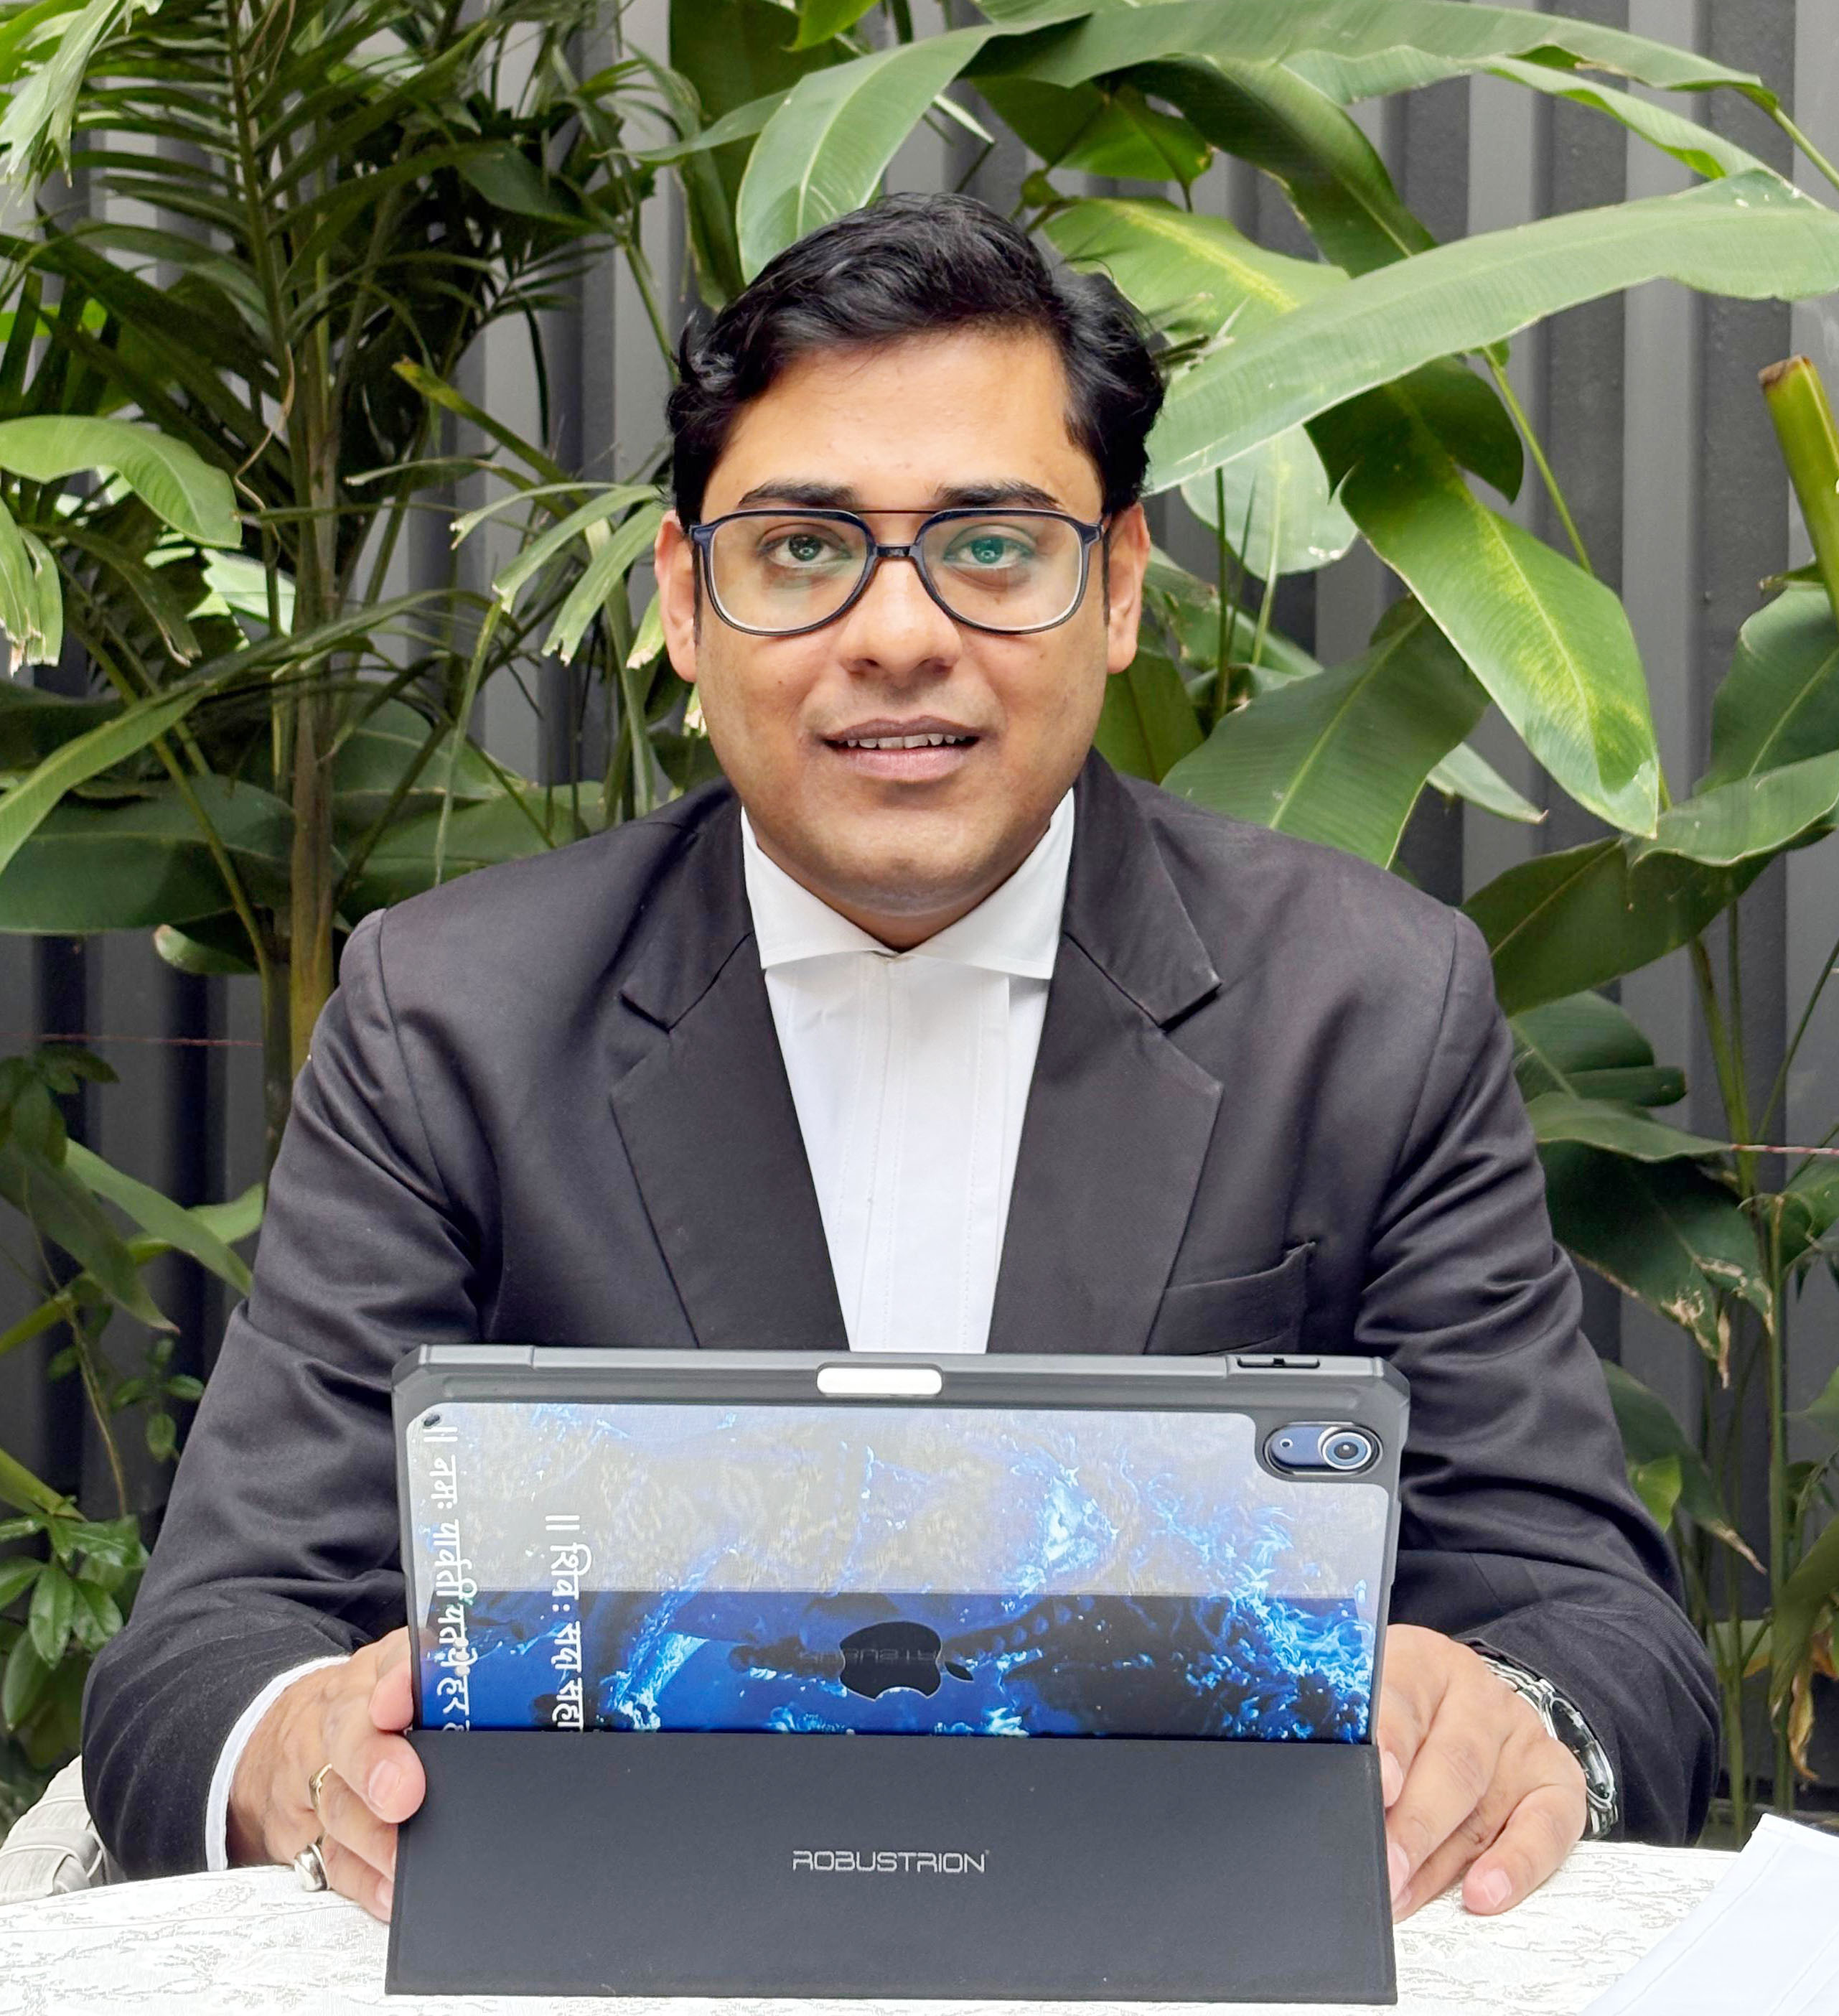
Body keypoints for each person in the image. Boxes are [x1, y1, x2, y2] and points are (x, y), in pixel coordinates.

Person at [83, 192, 1717, 1928]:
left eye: (991, 546)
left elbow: (1598, 1633)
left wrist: (1513, 1728)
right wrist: (304, 1747)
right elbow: (207, 1649)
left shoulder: (1367, 1007)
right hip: (644, 1949)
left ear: (1119, 589)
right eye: (801, 549)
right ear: (686, 603)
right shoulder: (453, 1020)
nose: (898, 633)